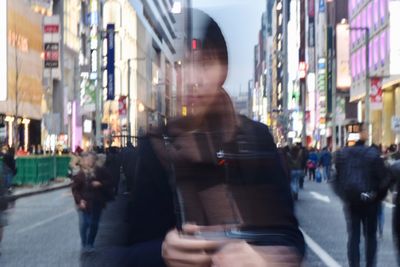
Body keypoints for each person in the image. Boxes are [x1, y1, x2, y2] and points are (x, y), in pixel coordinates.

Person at [126, 8, 305, 267]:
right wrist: (163, 251)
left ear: (223, 69)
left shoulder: (254, 138)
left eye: (206, 63)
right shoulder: (153, 147)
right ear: (164, 73)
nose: (193, 80)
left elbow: (290, 236)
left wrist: (264, 259)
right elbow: (127, 250)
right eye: (180, 65)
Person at [333, 124, 388, 267]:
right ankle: (370, 264)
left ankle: (354, 264)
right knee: (370, 237)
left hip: (352, 200)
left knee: (353, 236)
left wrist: (344, 196)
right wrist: (377, 197)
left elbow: (336, 179)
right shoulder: (373, 155)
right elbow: (383, 179)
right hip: (370, 201)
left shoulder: (342, 154)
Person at [71, 152, 113, 252]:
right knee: (84, 224)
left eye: (91, 159)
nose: (89, 162)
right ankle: (84, 243)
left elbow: (111, 181)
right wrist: (80, 200)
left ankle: (90, 243)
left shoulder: (100, 171)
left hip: (96, 202)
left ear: (95, 160)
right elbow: (75, 189)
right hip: (83, 203)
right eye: (87, 159)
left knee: (94, 224)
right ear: (84, 161)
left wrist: (101, 183)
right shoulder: (80, 173)